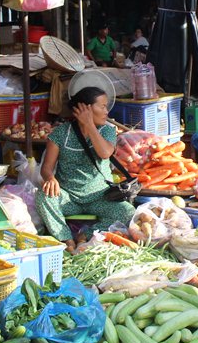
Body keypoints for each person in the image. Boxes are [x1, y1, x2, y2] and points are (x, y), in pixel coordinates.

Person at [36, 87, 136, 253]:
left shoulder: (107, 130)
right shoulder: (61, 133)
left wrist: (89, 125)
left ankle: (84, 235)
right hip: (69, 197)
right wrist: (50, 178)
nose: (106, 111)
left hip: (100, 197)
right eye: (102, 106)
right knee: (42, 197)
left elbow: (104, 153)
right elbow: (46, 168)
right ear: (86, 109)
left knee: (127, 212)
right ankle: (66, 239)